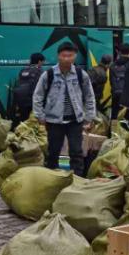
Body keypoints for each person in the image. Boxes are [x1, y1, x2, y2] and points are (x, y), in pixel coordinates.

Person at [32, 42, 96, 177]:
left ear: (75, 56)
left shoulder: (81, 74)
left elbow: (89, 96)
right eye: (63, 55)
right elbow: (38, 96)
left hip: (75, 121)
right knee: (53, 152)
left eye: (70, 55)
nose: (66, 59)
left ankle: (77, 179)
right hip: (54, 121)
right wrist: (40, 115)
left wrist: (89, 117)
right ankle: (51, 178)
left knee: (76, 152)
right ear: (58, 56)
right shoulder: (49, 74)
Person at [11, 53, 45, 127]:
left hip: (20, 100)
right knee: (34, 122)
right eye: (43, 62)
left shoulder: (23, 70)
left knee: (24, 120)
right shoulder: (39, 71)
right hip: (32, 100)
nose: (43, 64)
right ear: (39, 61)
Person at [110, 43, 129, 119]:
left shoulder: (113, 65)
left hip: (116, 93)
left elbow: (111, 81)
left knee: (115, 115)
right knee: (127, 117)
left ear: (119, 52)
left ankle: (113, 126)